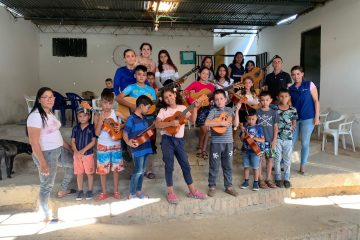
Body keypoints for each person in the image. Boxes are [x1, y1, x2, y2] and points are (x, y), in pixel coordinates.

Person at [155, 87, 206, 203]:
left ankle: (192, 191)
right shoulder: (163, 110)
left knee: (185, 165)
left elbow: (193, 120)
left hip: (179, 141)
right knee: (169, 165)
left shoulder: (183, 108)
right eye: (166, 97)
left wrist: (196, 108)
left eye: (170, 95)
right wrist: (170, 123)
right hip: (167, 140)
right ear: (163, 99)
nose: (169, 98)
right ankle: (170, 192)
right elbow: (157, 124)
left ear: (174, 94)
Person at [27, 87, 65, 221]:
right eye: (46, 97)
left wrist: (69, 147)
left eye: (52, 97)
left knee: (72, 165)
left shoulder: (49, 112)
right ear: (39, 100)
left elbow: (55, 132)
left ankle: (65, 188)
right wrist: (43, 162)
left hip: (58, 149)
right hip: (46, 154)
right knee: (46, 186)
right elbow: (33, 141)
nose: (50, 99)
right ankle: (46, 215)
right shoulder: (35, 116)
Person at [117, 65, 157, 178]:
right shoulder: (131, 87)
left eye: (144, 75)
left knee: (147, 144)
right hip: (135, 121)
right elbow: (119, 98)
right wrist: (133, 106)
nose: (141, 76)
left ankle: (147, 170)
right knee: (135, 144)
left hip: (148, 120)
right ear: (135, 75)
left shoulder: (150, 90)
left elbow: (153, 106)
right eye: (139, 74)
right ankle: (136, 170)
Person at [205, 89, 241, 197]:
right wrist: (220, 122)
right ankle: (212, 186)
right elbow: (207, 122)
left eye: (221, 99)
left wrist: (237, 111)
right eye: (216, 100)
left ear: (226, 100)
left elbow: (236, 124)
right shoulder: (214, 111)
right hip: (216, 143)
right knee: (214, 165)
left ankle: (228, 187)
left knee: (228, 165)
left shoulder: (230, 110)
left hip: (228, 142)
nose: (219, 101)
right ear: (214, 102)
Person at [94, 88, 126, 201]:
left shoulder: (115, 113)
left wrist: (121, 126)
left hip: (116, 144)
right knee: (102, 171)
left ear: (112, 103)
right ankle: (104, 192)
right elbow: (97, 133)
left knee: (116, 169)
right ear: (100, 102)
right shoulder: (97, 115)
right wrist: (101, 120)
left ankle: (116, 191)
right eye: (104, 102)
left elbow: (128, 120)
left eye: (110, 103)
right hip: (102, 145)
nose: (107, 106)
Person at [289, 65, 320, 175]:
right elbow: (290, 105)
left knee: (305, 143)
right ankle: (285, 164)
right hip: (295, 120)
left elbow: (316, 101)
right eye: (293, 74)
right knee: (290, 142)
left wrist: (317, 117)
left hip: (308, 118)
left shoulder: (309, 84)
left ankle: (303, 166)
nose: (296, 76)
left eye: (298, 74)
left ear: (302, 74)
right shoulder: (290, 88)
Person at [123, 95, 154, 199]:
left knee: (143, 170)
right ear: (141, 106)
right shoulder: (131, 118)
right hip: (137, 149)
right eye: (148, 107)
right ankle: (131, 193)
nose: (148, 110)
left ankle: (138, 191)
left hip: (146, 147)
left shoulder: (144, 118)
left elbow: (146, 134)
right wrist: (128, 142)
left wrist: (150, 131)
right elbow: (125, 133)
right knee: (138, 171)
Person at [184, 66, 215, 159]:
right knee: (204, 129)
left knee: (207, 128)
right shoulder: (196, 84)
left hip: (209, 109)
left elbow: (213, 98)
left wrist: (213, 100)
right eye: (203, 73)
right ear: (199, 74)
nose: (205, 75)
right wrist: (192, 102)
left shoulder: (211, 86)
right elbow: (186, 92)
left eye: (207, 74)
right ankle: (200, 145)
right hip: (198, 109)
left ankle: (203, 148)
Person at [71, 107, 96, 200]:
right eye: (80, 116)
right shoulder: (75, 128)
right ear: (77, 117)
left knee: (89, 173)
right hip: (77, 155)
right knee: (79, 173)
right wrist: (76, 151)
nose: (82, 118)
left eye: (84, 116)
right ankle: (80, 191)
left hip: (88, 155)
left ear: (89, 116)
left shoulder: (91, 128)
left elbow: (93, 142)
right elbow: (72, 141)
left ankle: (90, 191)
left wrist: (83, 150)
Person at [274, 89, 298, 188]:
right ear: (278, 98)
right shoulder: (275, 109)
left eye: (286, 96)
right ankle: (278, 178)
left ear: (289, 98)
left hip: (288, 138)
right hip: (277, 138)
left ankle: (287, 178)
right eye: (281, 96)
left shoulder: (293, 109)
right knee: (277, 158)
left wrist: (293, 126)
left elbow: (294, 121)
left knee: (287, 159)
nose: (284, 98)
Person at [257, 91, 279, 189]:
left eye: (267, 100)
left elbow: (275, 127)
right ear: (259, 101)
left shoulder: (274, 113)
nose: (265, 102)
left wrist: (274, 140)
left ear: (270, 100)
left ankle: (268, 178)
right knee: (259, 160)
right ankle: (260, 179)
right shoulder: (257, 112)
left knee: (269, 159)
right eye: (262, 100)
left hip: (270, 141)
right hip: (259, 141)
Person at [240, 110, 265, 191]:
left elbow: (263, 140)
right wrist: (243, 132)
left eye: (253, 119)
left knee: (255, 167)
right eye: (249, 119)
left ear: (256, 118)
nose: (251, 121)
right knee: (246, 167)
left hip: (255, 151)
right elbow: (241, 139)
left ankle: (255, 182)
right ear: (246, 119)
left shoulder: (259, 128)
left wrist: (255, 138)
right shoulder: (245, 128)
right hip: (245, 151)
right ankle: (246, 181)